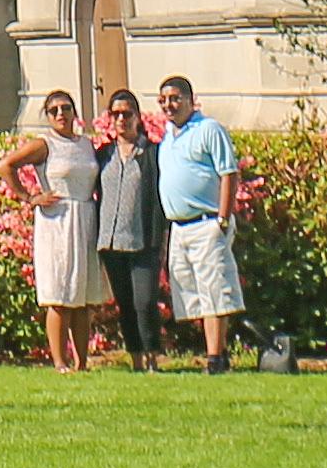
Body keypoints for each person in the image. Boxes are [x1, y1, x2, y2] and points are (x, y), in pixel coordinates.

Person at [152, 74, 243, 369]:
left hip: (208, 223)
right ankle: (214, 350)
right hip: (179, 227)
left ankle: (216, 358)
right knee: (192, 293)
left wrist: (224, 219)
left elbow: (228, 173)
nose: (170, 105)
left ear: (191, 101)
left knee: (214, 290)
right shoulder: (167, 137)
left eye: (176, 98)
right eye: (164, 100)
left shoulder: (209, 129)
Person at [90, 87, 166, 367]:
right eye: (116, 114)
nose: (122, 119)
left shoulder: (151, 154)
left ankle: (153, 357)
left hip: (143, 241)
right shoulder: (103, 155)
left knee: (145, 303)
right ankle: (135, 357)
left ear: (137, 117)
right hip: (110, 243)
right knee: (125, 305)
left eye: (127, 113)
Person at [22, 88, 97, 370]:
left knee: (82, 296)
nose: (60, 114)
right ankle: (59, 361)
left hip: (85, 217)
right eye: (53, 110)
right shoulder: (45, 144)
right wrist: (31, 197)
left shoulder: (86, 144)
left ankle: (82, 363)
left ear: (74, 111)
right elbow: (7, 165)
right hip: (57, 220)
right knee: (59, 295)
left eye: (65, 108)